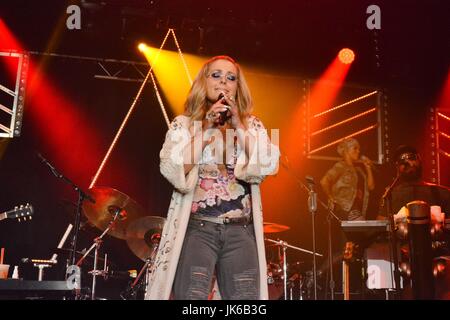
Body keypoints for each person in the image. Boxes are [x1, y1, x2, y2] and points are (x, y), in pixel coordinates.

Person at [145, 55, 280, 300]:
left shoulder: (253, 126)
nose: (223, 83)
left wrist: (239, 124)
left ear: (238, 87)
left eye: (231, 78)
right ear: (204, 81)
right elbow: (173, 168)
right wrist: (207, 127)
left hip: (241, 231)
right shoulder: (183, 124)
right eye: (216, 75)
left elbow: (268, 163)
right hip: (198, 229)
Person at [318, 138, 375, 298]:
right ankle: (319, 273)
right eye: (355, 149)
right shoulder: (340, 166)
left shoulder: (360, 171)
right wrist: (330, 197)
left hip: (357, 212)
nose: (358, 152)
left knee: (350, 250)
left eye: (358, 149)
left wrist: (368, 167)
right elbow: (324, 181)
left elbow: (371, 187)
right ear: (347, 151)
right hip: (344, 210)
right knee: (349, 248)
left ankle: (326, 275)